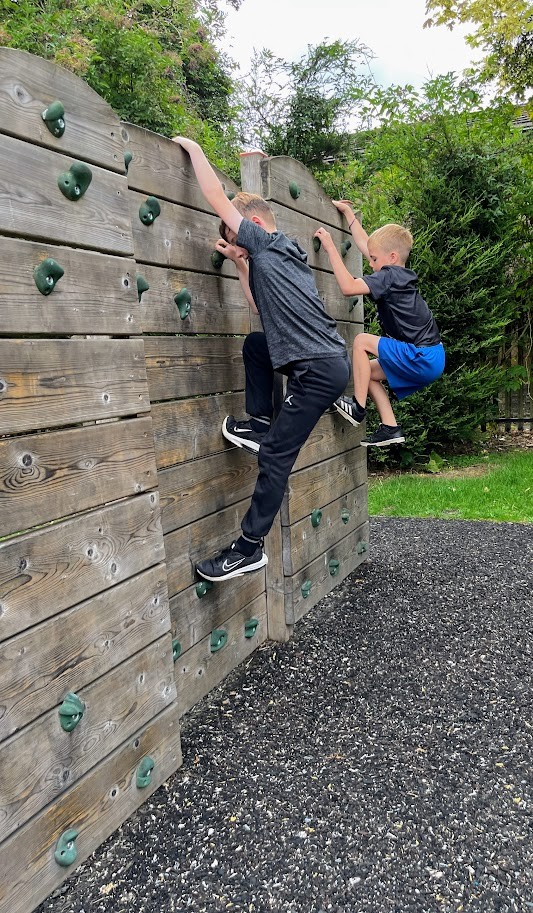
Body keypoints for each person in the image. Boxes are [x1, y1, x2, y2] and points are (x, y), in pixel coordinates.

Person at [172, 137, 350, 581]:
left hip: (316, 370)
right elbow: (258, 308)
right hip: (316, 361)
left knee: (274, 458)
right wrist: (238, 261)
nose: (234, 239)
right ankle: (260, 422)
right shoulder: (279, 256)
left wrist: (195, 148)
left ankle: (249, 548)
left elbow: (216, 196)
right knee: (256, 344)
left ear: (252, 223)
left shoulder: (268, 242)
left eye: (234, 233)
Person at [314, 201, 445, 447]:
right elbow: (368, 246)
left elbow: (348, 287)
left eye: (373, 260)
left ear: (392, 258)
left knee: (361, 341)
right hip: (433, 357)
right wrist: (349, 214)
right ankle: (390, 427)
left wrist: (331, 247)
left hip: (422, 355)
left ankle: (357, 407)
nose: (370, 264)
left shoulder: (388, 276)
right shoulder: (398, 274)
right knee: (369, 374)